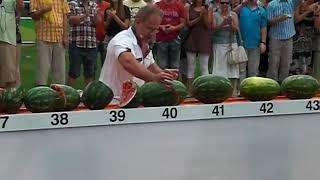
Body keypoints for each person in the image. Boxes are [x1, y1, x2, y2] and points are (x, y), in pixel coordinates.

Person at [99, 5, 178, 97]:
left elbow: (151, 66)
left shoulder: (144, 42)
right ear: (137, 22)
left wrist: (164, 75)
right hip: (112, 98)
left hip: (134, 99)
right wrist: (153, 78)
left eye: (156, 29)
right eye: (150, 28)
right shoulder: (122, 40)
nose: (153, 33)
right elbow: (127, 61)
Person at [30, 0, 70, 86]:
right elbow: (33, 16)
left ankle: (59, 94)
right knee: (42, 70)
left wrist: (65, 36)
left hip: (59, 37)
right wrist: (43, 10)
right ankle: (40, 94)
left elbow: (65, 16)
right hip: (43, 37)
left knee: (60, 71)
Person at [68, 0, 102, 87]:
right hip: (76, 44)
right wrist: (85, 15)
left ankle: (88, 96)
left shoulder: (94, 5)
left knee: (90, 73)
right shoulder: (73, 4)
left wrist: (97, 16)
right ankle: (68, 96)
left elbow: (97, 23)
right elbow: (70, 20)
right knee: (73, 72)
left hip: (91, 44)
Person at [266, 0, 302, 83]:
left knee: (286, 63)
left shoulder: (292, 2)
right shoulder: (272, 4)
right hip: (275, 38)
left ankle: (284, 84)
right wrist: (279, 18)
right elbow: (268, 22)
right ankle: (272, 84)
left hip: (288, 37)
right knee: (273, 62)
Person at [211, 0, 240, 97]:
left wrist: (231, 24)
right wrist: (223, 23)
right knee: (219, 68)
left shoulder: (234, 14)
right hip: (219, 43)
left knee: (233, 68)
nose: (224, 5)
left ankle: (233, 91)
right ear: (219, 4)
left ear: (229, 4)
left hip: (232, 43)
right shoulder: (214, 15)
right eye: (222, 3)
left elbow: (236, 29)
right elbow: (213, 29)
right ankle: (220, 91)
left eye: (226, 3)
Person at [233, 0, 267, 80]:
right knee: (241, 70)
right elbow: (232, 13)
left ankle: (251, 91)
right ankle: (240, 90)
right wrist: (242, 5)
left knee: (254, 71)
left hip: (255, 44)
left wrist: (263, 42)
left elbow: (263, 27)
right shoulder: (242, 8)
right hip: (241, 44)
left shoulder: (261, 10)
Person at [184, 0, 211, 93]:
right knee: (191, 66)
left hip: (204, 39)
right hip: (192, 38)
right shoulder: (188, 8)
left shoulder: (208, 8)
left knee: (204, 66)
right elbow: (188, 24)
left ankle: (206, 89)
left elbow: (209, 25)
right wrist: (200, 17)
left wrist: (204, 15)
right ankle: (189, 90)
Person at [154, 0, 186, 69]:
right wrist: (161, 26)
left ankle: (173, 79)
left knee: (175, 65)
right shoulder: (157, 5)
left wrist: (174, 28)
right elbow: (152, 21)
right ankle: (163, 79)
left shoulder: (179, 6)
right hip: (160, 39)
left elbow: (183, 23)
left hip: (175, 38)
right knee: (162, 65)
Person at [0, 0, 23, 88]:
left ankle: (10, 97)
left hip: (6, 36)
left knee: (9, 72)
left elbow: (19, 8)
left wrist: (19, 11)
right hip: (6, 35)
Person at [290, 0, 315, 75]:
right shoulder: (298, 5)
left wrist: (316, 13)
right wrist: (308, 11)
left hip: (308, 41)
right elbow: (296, 20)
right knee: (296, 64)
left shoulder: (315, 6)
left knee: (306, 63)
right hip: (298, 40)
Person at [96, 0, 110, 67]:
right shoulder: (92, 5)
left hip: (105, 38)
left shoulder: (108, 6)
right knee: (91, 65)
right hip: (94, 38)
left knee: (105, 65)